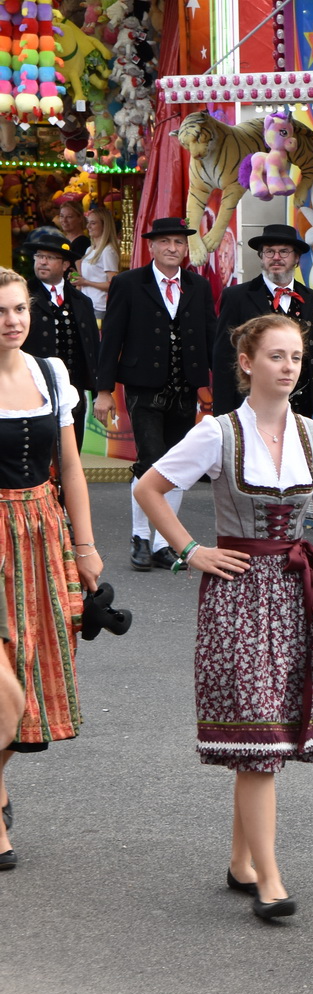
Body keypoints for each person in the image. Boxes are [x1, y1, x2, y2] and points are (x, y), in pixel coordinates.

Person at [134, 313, 313, 922]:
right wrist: (191, 550)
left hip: (293, 593)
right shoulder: (218, 433)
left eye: (296, 357)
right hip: (237, 596)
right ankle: (270, 878)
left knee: (268, 732)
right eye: (275, 356)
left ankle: (243, 861)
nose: (288, 367)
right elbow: (148, 489)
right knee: (259, 739)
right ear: (246, 363)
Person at [0, 267, 102, 871]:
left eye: (19, 309)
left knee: (33, 677)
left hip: (41, 534)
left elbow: (70, 466)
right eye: (0, 312)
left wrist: (84, 548)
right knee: (6, 692)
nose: (12, 321)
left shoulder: (49, 373)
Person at [93, 217, 216, 574]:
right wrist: (103, 390)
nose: (172, 248)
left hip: (185, 387)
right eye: (165, 242)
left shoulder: (198, 286)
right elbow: (111, 337)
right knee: (151, 461)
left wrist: (219, 384)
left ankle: (164, 543)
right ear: (151, 246)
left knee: (176, 463)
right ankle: (140, 537)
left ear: (186, 248)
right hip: (143, 385)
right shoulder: (129, 283)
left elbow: (211, 336)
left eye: (178, 242)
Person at [212, 223, 313, 420]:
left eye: (284, 252)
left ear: (296, 258)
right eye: (269, 252)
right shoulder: (236, 297)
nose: (276, 257)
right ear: (261, 257)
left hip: (302, 407)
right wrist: (223, 416)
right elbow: (223, 358)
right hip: (253, 406)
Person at [21, 227, 98, 450]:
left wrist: (99, 391)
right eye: (39, 256)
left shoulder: (82, 302)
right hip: (32, 391)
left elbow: (94, 348)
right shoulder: (23, 296)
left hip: (73, 392)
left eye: (50, 257)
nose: (42, 262)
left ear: (65, 265)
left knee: (70, 450)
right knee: (37, 453)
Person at [78, 205, 121, 321]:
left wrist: (85, 282)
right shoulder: (89, 249)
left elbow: (113, 285)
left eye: (93, 223)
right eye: (88, 222)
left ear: (104, 226)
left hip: (100, 307)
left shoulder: (108, 251)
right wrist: (77, 277)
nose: (88, 226)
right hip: (87, 303)